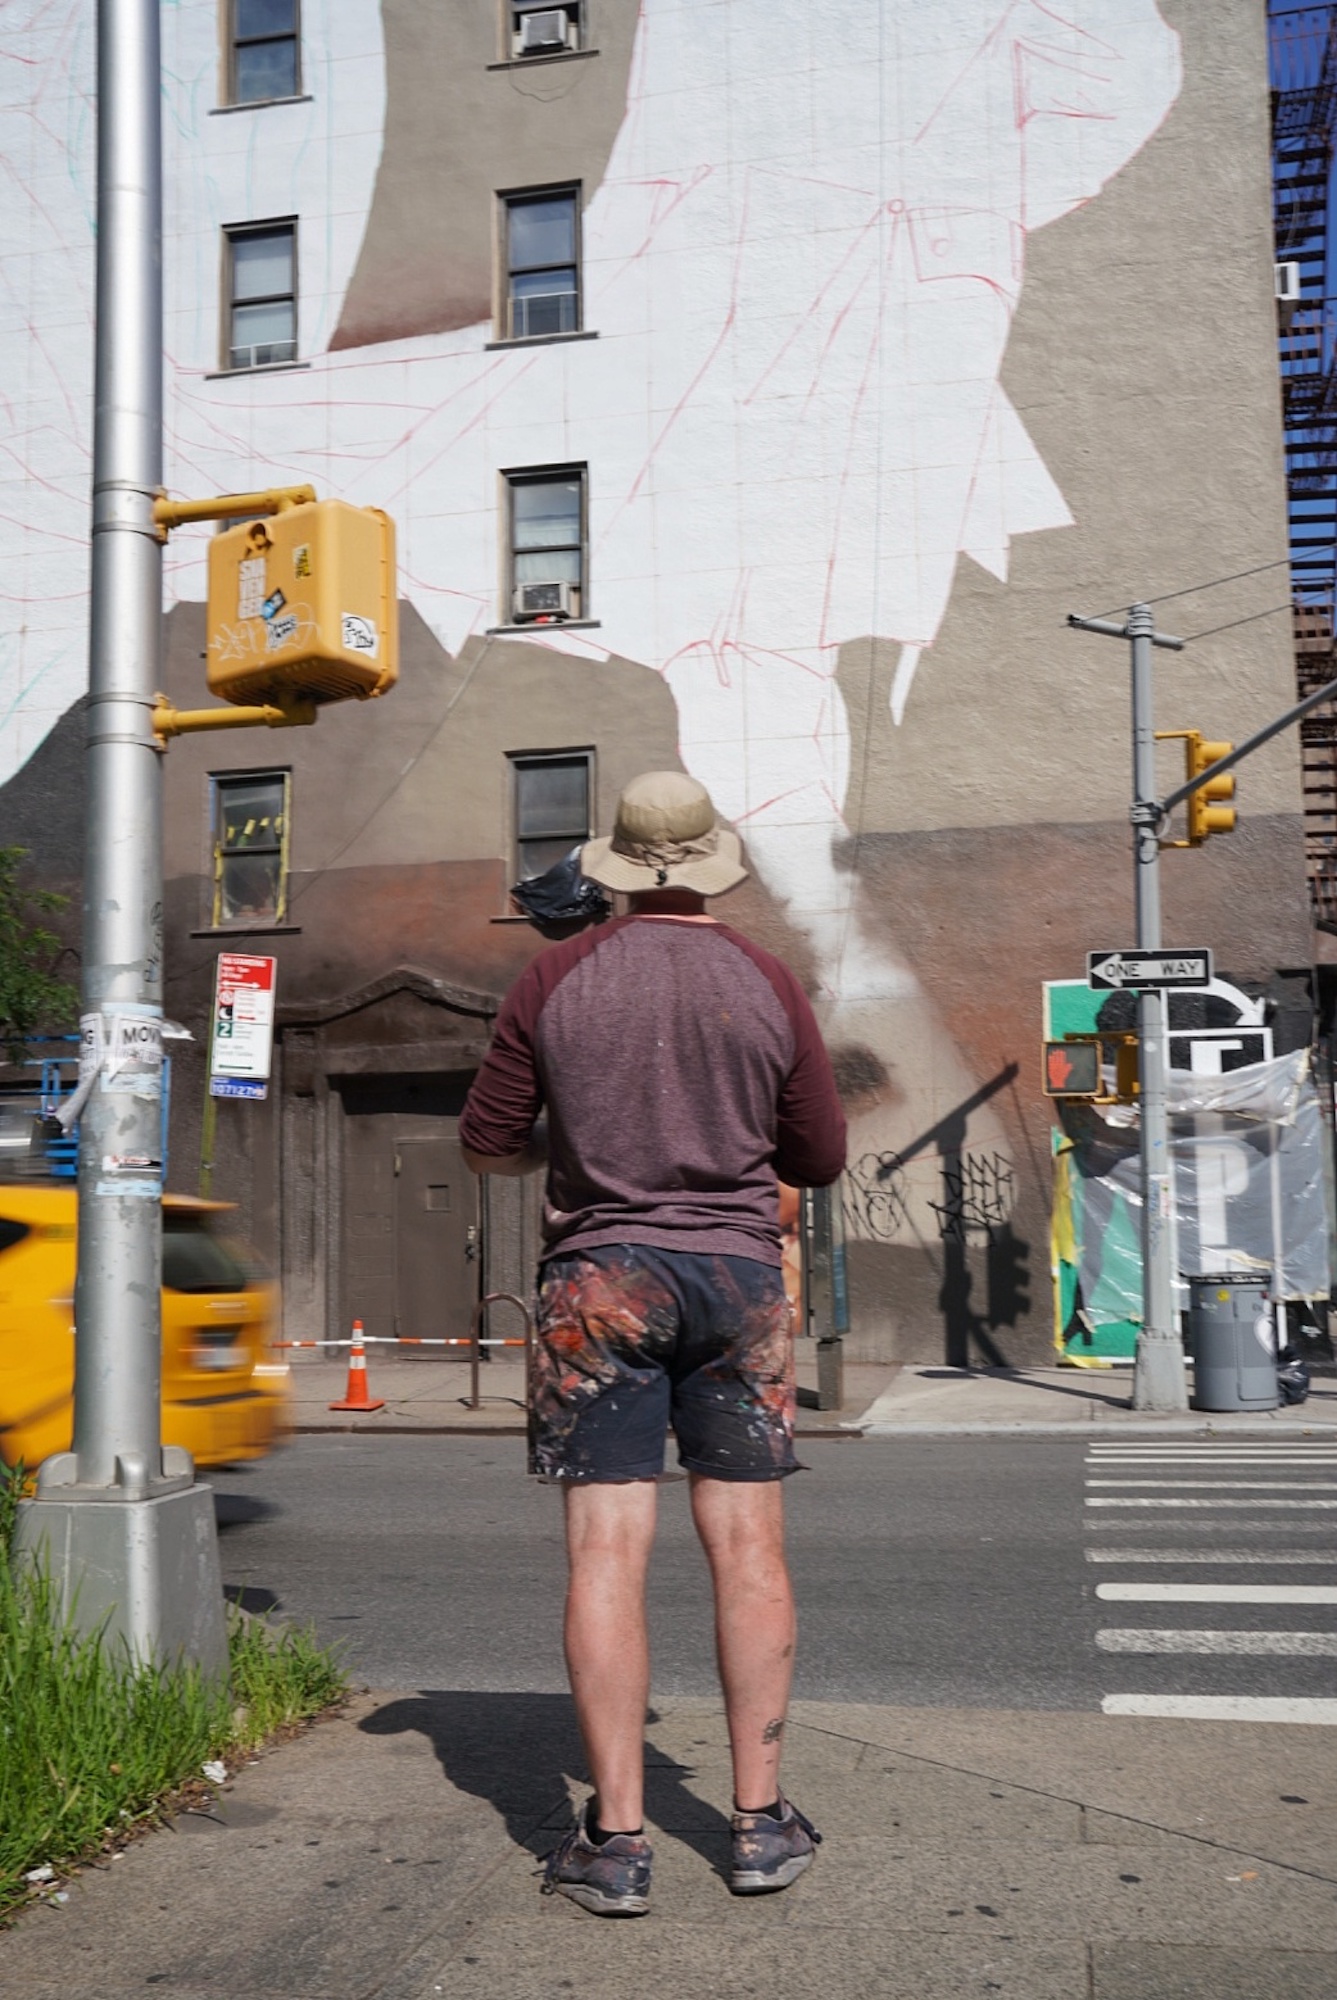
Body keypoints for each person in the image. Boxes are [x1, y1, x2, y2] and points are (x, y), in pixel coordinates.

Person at [460, 770, 847, 1918]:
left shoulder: (554, 974)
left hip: (598, 1283)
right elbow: (817, 1154)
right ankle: (759, 1821)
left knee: (603, 1555)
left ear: (617, 865)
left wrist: (574, 1153)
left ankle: (616, 1841)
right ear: (713, 860)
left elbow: (486, 1144)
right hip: (736, 1277)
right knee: (749, 1551)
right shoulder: (766, 979)